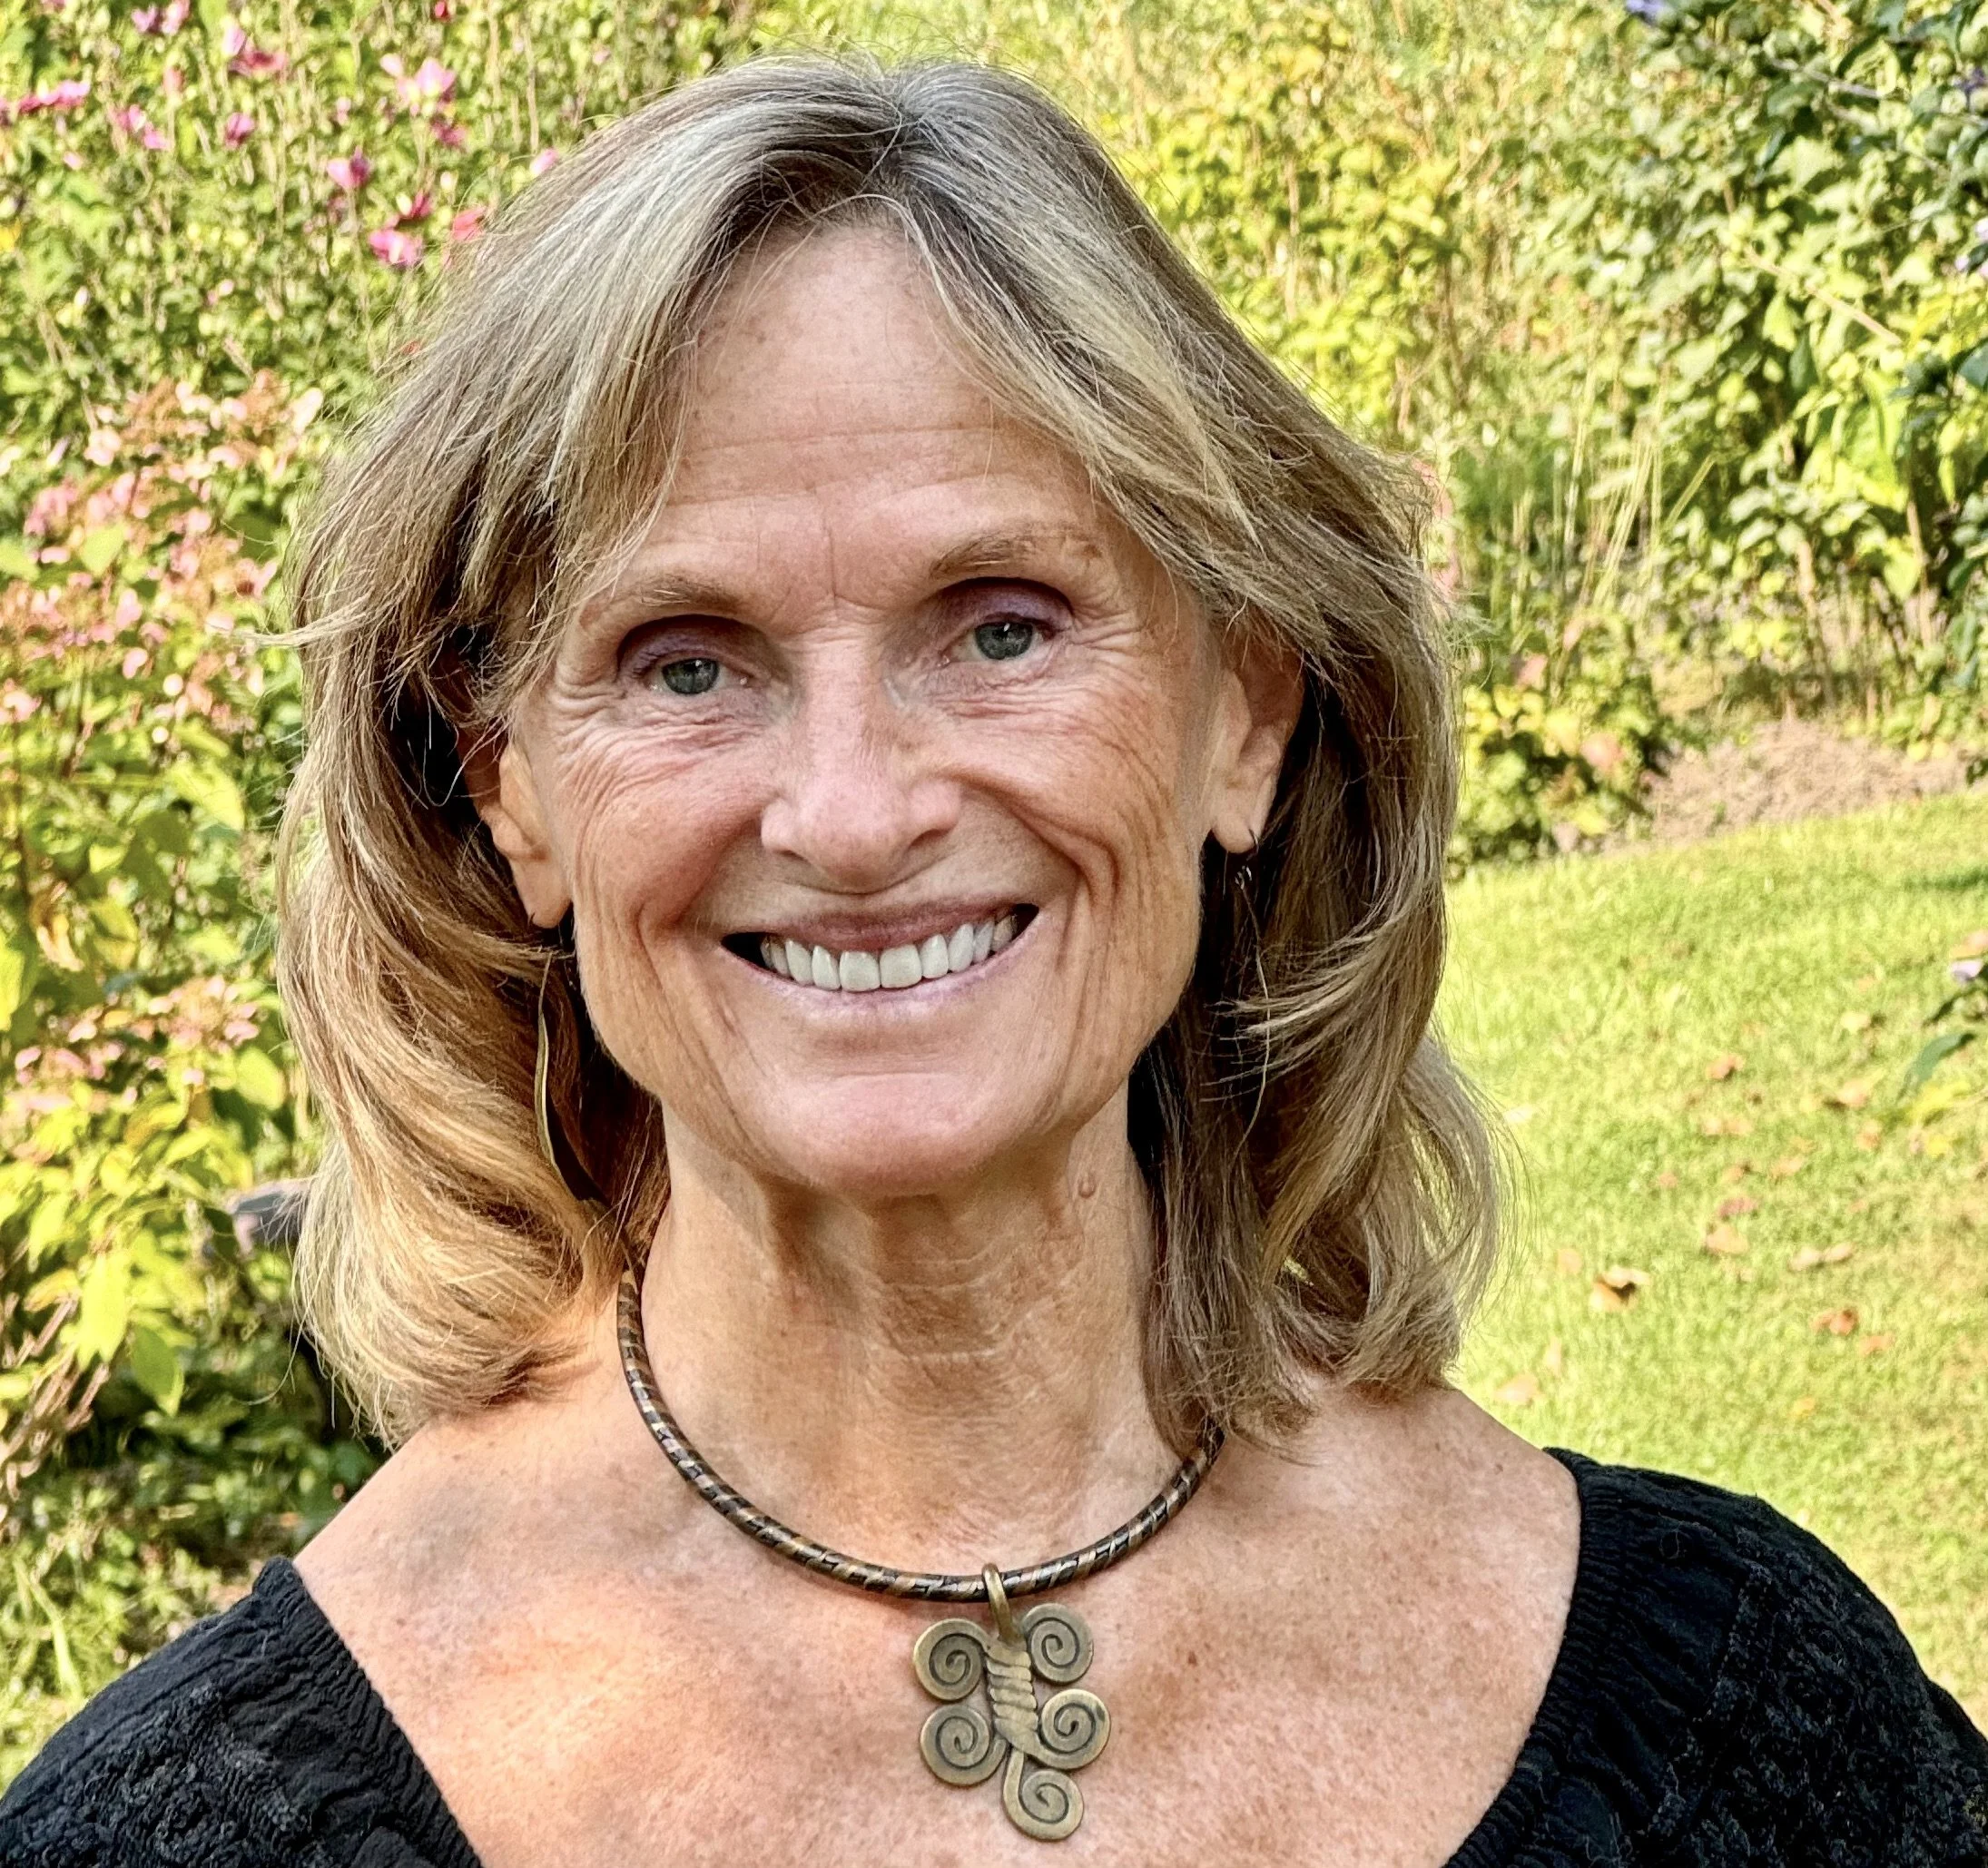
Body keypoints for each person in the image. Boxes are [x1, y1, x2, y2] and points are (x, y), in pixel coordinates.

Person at [4, 55, 1983, 1868]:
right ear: (502, 783)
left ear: (1250, 714)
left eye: (1005, 627)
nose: (854, 816)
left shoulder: (1757, 1733)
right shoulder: (186, 1835)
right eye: (685, 662)